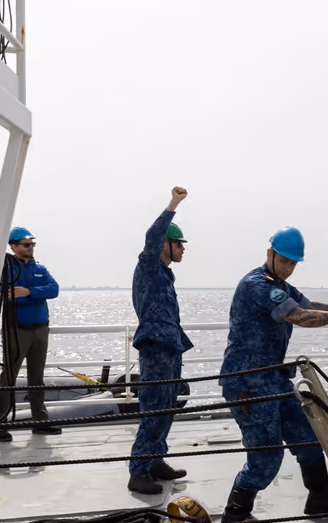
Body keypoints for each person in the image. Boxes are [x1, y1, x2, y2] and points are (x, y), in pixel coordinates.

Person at [219, 226, 328, 522]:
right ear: (270, 253)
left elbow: (309, 305)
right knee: (266, 458)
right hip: (247, 382)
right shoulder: (257, 284)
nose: (288, 268)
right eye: (284, 261)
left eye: (293, 263)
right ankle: (235, 513)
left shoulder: (281, 285)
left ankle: (320, 499)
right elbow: (298, 317)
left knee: (308, 437)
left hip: (273, 379)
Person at [127, 187, 193, 495]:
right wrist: (173, 204)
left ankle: (156, 460)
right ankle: (139, 470)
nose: (182, 250)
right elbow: (152, 237)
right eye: (179, 244)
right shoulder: (149, 266)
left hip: (170, 348)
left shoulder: (165, 275)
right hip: (155, 349)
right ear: (165, 243)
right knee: (154, 410)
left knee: (167, 408)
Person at [0, 227, 61, 442]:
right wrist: (35, 293)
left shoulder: (40, 268)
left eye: (32, 244)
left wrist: (30, 292)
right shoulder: (6, 269)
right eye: (26, 244)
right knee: (8, 377)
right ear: (13, 246)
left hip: (40, 328)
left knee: (36, 377)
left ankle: (40, 422)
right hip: (18, 329)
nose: (30, 248)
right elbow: (10, 295)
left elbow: (54, 289)